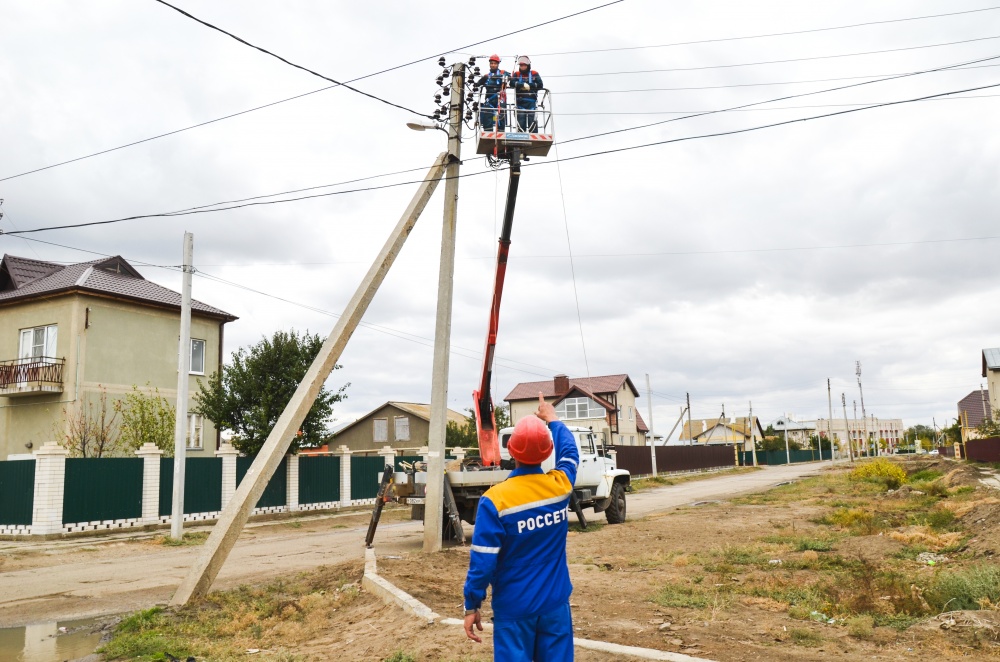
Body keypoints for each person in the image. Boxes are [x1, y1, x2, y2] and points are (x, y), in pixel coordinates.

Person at [463, 393, 579, 661]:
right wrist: (553, 420)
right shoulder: (559, 487)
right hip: (555, 605)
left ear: (511, 451)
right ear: (547, 452)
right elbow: (571, 455)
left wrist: (472, 605)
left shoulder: (495, 500)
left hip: (514, 609)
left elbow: (483, 563)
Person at [509, 55, 544, 132]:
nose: (522, 67)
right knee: (521, 120)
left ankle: (534, 136)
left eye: (524, 65)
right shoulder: (517, 74)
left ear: (528, 65)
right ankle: (521, 136)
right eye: (521, 65)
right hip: (520, 102)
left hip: (531, 102)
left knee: (532, 121)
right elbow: (511, 83)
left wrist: (530, 85)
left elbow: (540, 84)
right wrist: (522, 85)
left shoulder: (534, 73)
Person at [476, 54, 508, 131]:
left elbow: (511, 78)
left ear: (498, 64)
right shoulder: (486, 76)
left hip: (500, 98)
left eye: (495, 63)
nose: (493, 65)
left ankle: (501, 131)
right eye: (492, 63)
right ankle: (488, 130)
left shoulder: (503, 73)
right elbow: (478, 84)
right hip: (489, 99)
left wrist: (499, 77)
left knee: (501, 113)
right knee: (487, 112)